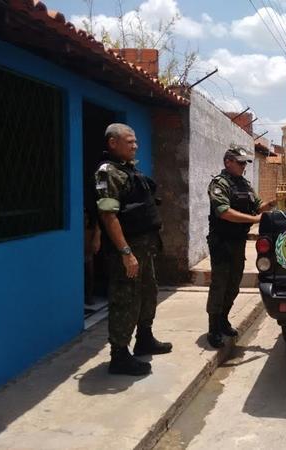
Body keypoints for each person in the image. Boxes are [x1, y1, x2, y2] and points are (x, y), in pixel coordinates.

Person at [95, 123, 172, 376]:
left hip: (145, 248)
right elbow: (108, 216)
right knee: (125, 299)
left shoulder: (128, 171)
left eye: (136, 141)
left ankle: (144, 338)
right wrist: (126, 253)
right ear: (113, 143)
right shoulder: (107, 172)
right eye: (129, 141)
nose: (135, 145)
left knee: (148, 293)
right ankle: (119, 355)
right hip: (128, 251)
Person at [206, 146, 275, 348]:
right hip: (222, 242)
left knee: (234, 284)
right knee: (220, 284)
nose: (244, 166)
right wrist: (254, 219)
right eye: (240, 162)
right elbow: (224, 211)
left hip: (238, 242)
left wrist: (272, 203)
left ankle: (224, 320)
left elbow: (257, 205)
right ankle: (213, 328)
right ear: (228, 162)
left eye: (246, 163)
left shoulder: (244, 184)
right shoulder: (219, 184)